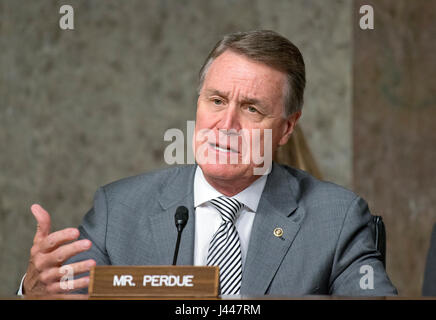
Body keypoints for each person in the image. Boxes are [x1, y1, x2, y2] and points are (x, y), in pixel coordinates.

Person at [20, 30, 397, 296]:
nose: (226, 125)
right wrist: (34, 291)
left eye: (251, 108)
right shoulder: (118, 211)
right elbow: (66, 294)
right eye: (216, 101)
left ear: (287, 127)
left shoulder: (336, 218)